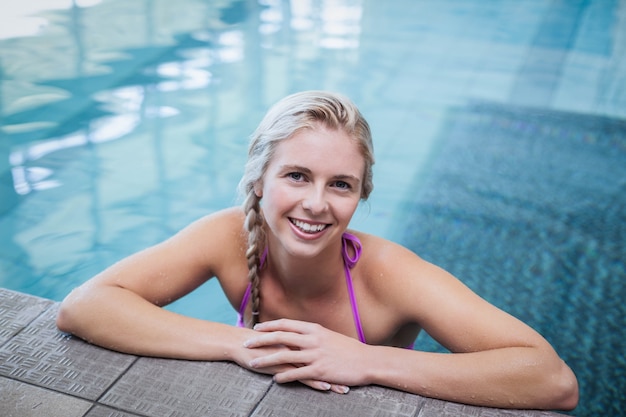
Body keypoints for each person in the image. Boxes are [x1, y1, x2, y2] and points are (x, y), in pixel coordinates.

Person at [56, 91, 578, 410]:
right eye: (297, 176)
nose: (316, 204)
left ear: (360, 195)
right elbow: (86, 305)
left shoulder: (392, 275)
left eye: (341, 185)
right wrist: (242, 345)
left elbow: (551, 380)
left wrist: (366, 361)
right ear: (259, 180)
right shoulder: (227, 237)